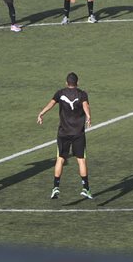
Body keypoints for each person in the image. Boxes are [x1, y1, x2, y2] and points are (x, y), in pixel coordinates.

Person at [36, 72, 93, 200]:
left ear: (66, 83)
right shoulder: (82, 94)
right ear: (77, 83)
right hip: (78, 133)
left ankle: (55, 187)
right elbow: (85, 106)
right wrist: (88, 117)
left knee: (60, 159)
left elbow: (51, 104)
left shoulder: (60, 93)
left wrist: (41, 113)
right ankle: (85, 188)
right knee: (81, 160)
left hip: (63, 133)